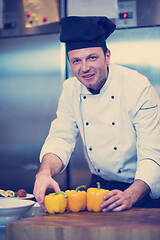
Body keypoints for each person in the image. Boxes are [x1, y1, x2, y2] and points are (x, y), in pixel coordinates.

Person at [33, 16, 160, 212]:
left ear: (107, 56)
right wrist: (44, 171)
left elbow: (153, 152)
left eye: (92, 57)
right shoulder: (70, 89)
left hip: (142, 188)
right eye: (76, 61)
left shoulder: (137, 87)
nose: (84, 68)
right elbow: (61, 137)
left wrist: (131, 194)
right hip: (99, 190)